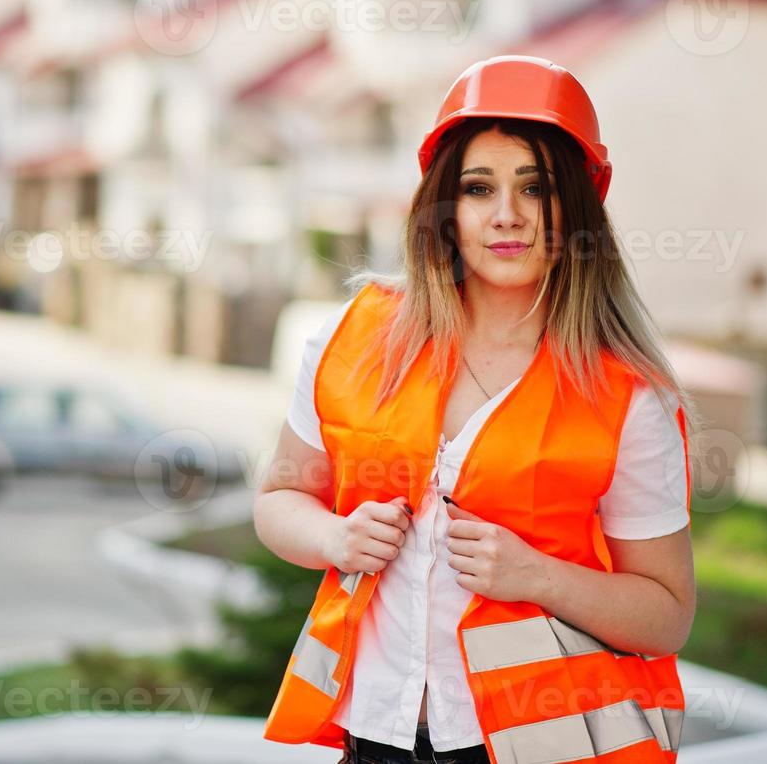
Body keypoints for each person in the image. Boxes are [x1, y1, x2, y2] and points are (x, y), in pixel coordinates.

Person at [255, 55, 698, 764]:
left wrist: (537, 576)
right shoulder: (354, 337)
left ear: (576, 209)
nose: (506, 215)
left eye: (537, 188)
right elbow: (279, 497)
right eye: (476, 187)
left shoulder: (626, 395)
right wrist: (334, 540)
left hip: (541, 747)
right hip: (377, 738)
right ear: (443, 206)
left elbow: (667, 616)